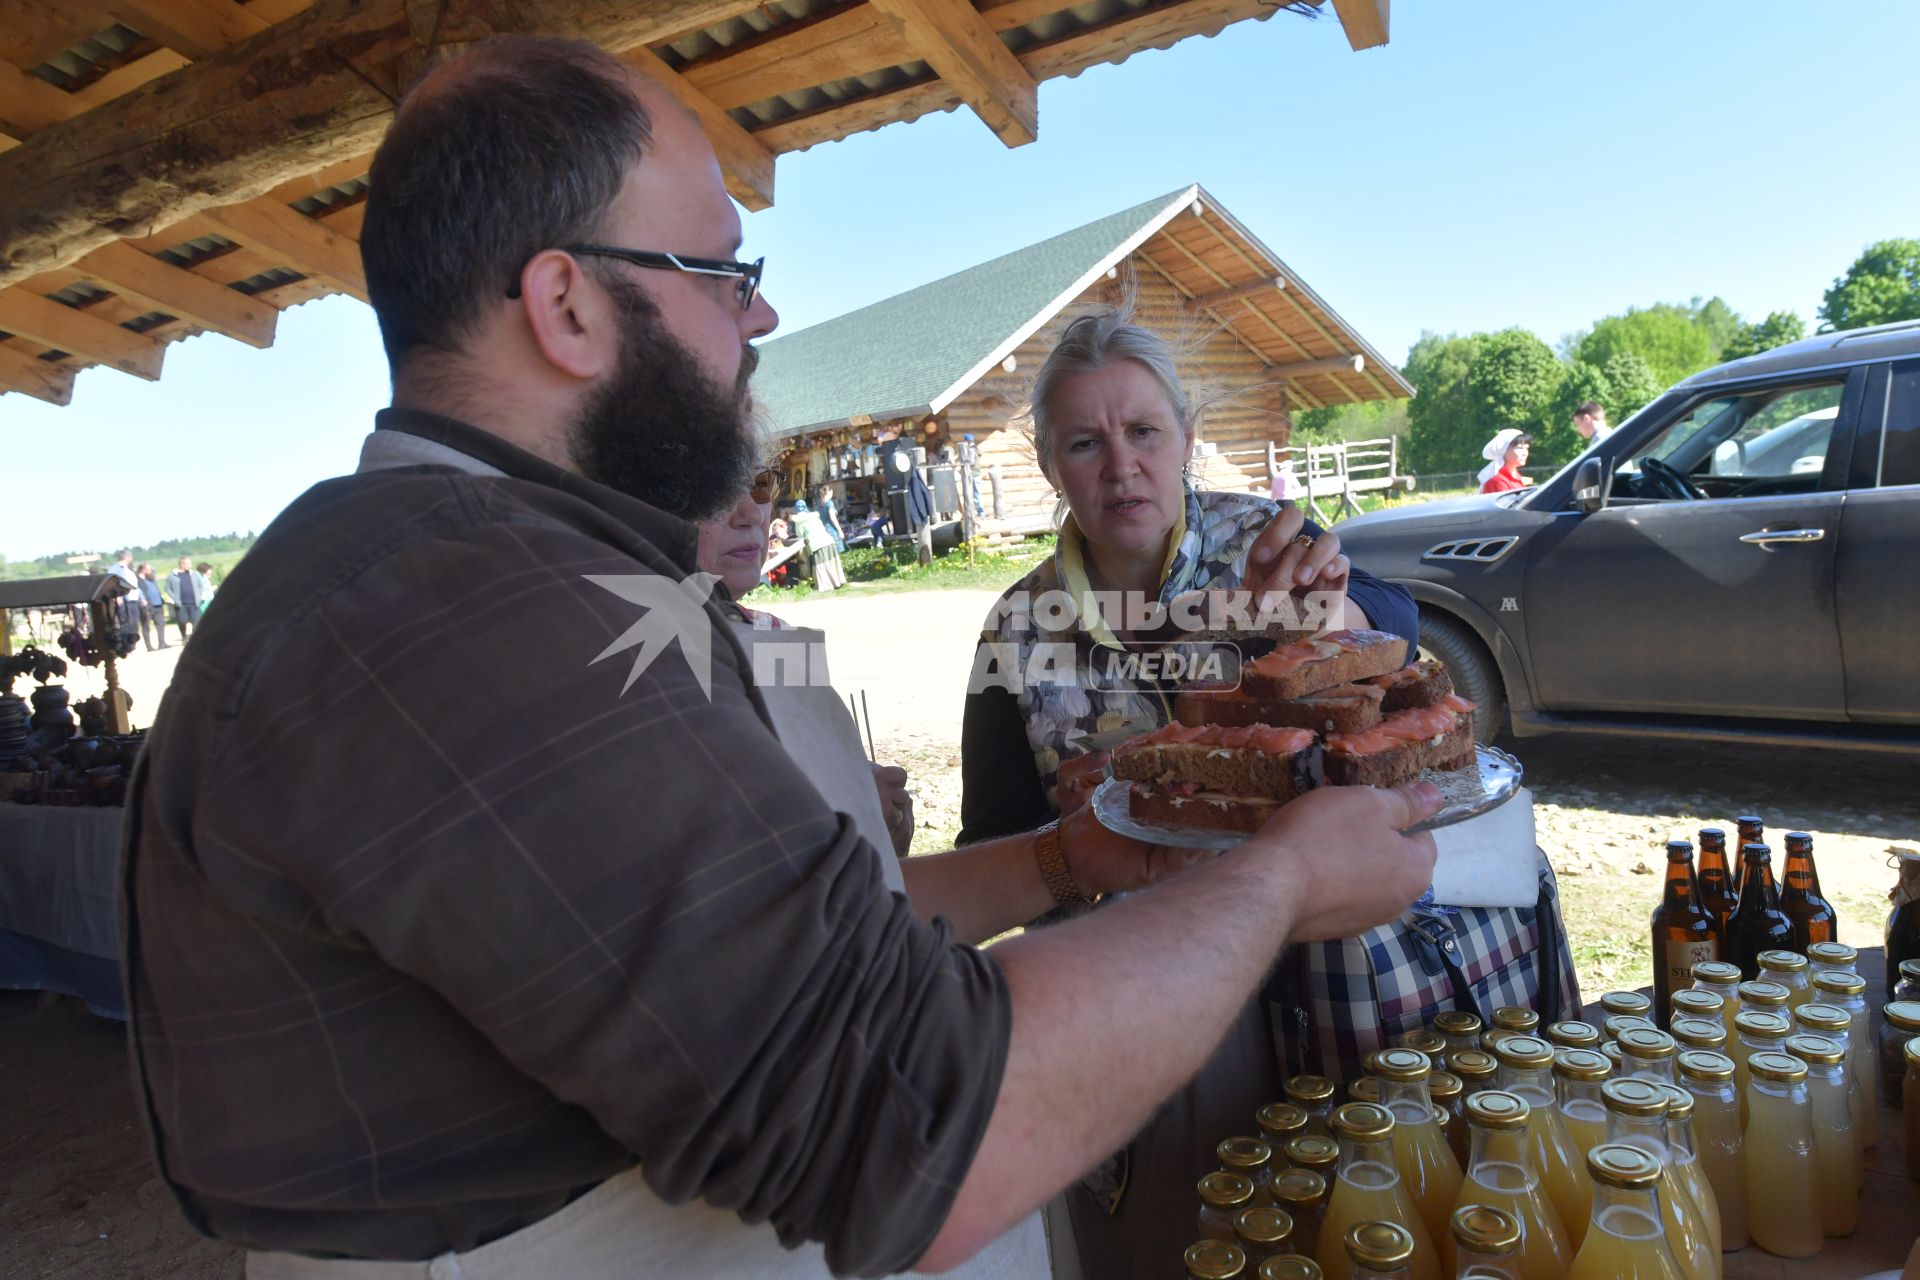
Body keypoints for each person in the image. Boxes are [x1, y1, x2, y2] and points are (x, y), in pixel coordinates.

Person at [121, 37, 1439, 1280]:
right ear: (568, 305)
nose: (755, 322)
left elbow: (775, 962)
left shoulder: (511, 572)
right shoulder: (457, 609)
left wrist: (1051, 863)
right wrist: (1274, 886)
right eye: (721, 274)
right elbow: (911, 1116)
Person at [957, 306, 1422, 1277]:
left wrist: (1324, 613)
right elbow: (997, 834)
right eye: (1084, 441)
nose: (1119, 464)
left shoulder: (1269, 541)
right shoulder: (1019, 626)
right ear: (1049, 465)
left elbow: (1399, 640)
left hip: (1317, 971)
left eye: (1143, 432)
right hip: (1146, 990)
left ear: (1187, 438)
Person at [696, 475, 915, 858]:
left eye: (760, 485)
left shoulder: (776, 635)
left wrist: (888, 819)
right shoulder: (634, 653)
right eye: (715, 486)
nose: (750, 513)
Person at [162, 555, 203, 641]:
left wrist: (199, 595)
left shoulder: (194, 574)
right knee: (182, 621)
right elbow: (167, 588)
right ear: (182, 564)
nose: (190, 566)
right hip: (181, 604)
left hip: (194, 602)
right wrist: (174, 597)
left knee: (195, 621)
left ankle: (194, 638)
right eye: (189, 564)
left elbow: (200, 585)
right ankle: (184, 636)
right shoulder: (173, 576)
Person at [1478, 428, 1532, 493]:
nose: (1525, 453)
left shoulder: (1517, 478)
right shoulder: (1498, 481)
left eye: (1527, 448)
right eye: (1520, 448)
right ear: (1504, 450)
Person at [135, 563, 168, 650]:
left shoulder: (150, 578)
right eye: (148, 569)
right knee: (146, 626)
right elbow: (138, 593)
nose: (150, 571)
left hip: (158, 605)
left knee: (161, 624)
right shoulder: (137, 580)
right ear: (143, 569)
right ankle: (149, 646)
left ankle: (162, 643)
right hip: (147, 606)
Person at [816, 482, 846, 550]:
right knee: (836, 550)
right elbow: (833, 518)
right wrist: (840, 531)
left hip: (822, 530)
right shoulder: (829, 503)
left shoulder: (818, 504)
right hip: (831, 529)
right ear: (829, 492)